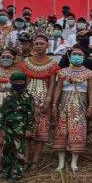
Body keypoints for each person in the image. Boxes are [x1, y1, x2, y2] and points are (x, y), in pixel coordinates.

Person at [51, 47, 92, 173]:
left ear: (83, 57)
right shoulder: (63, 72)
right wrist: (54, 104)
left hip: (80, 104)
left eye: (79, 54)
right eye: (74, 54)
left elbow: (91, 90)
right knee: (62, 130)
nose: (76, 56)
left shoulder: (88, 73)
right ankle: (61, 163)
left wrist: (91, 106)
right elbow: (58, 89)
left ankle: (74, 163)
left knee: (78, 130)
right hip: (65, 103)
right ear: (70, 57)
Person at [20, 34, 59, 169]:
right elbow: (23, 82)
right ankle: (25, 160)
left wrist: (48, 101)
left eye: (41, 44)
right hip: (28, 98)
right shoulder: (26, 61)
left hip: (43, 99)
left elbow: (53, 84)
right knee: (27, 132)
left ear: (47, 46)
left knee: (41, 133)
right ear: (32, 46)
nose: (38, 46)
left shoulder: (52, 63)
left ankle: (35, 160)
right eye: (36, 43)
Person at [0, 72, 34, 183]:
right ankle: (6, 170)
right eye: (16, 82)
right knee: (7, 149)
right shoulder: (8, 97)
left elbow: (31, 113)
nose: (18, 84)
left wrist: (29, 128)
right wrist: (1, 126)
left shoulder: (28, 97)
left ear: (25, 83)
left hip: (20, 127)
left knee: (19, 149)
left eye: (21, 82)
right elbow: (3, 113)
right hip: (7, 126)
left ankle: (17, 172)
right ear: (12, 83)